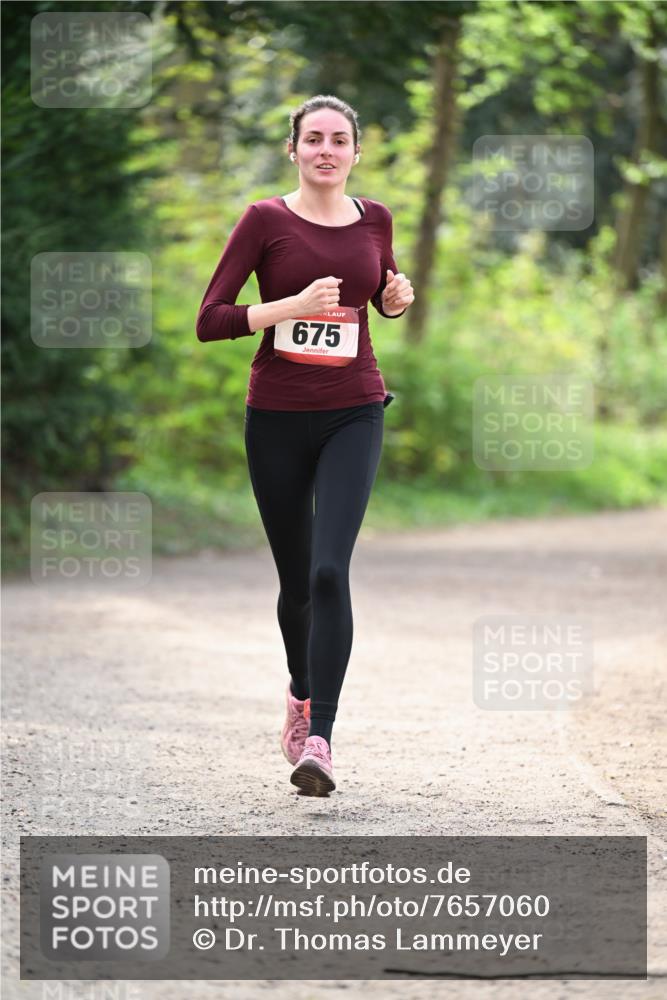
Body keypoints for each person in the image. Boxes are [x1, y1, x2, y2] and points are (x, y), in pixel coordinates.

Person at [196, 94, 414, 796]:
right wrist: (287, 308)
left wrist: (393, 299)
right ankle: (298, 691)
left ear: (355, 152)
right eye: (313, 138)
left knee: (328, 572)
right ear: (292, 149)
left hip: (354, 410)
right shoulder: (264, 220)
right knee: (295, 582)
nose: (326, 149)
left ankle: (319, 736)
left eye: (339, 139)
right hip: (277, 416)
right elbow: (210, 320)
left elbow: (378, 291)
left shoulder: (374, 217)